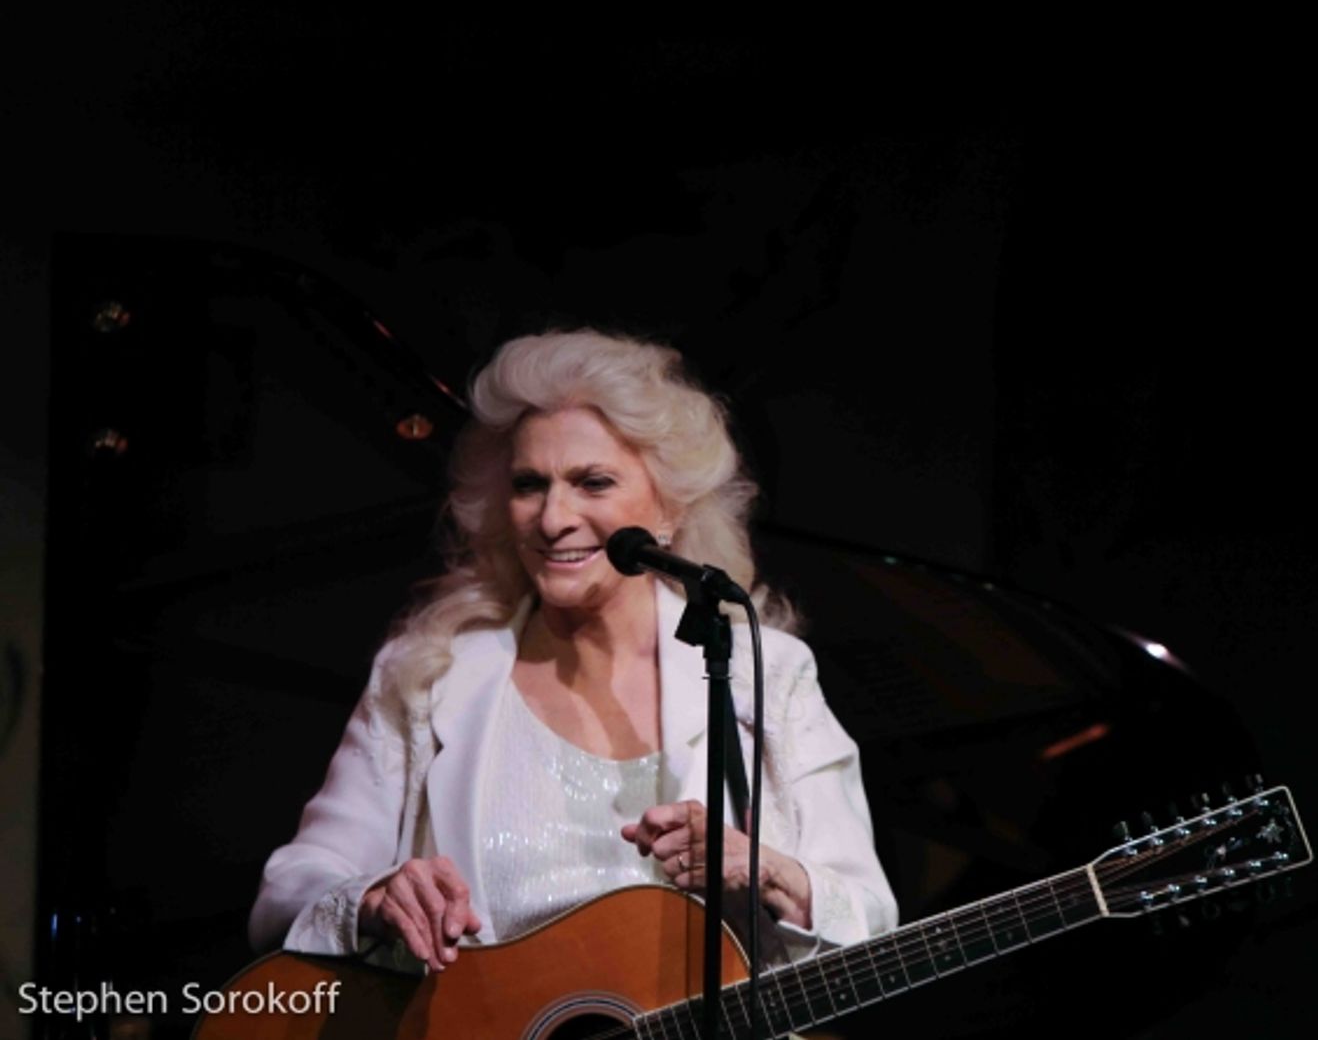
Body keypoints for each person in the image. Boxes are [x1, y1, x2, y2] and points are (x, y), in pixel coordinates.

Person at [248, 329, 896, 973]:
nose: (554, 517)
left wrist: (767, 873)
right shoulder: (428, 676)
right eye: (530, 483)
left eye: (592, 482)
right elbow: (290, 888)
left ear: (668, 504)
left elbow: (868, 914)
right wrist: (375, 894)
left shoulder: (765, 676)